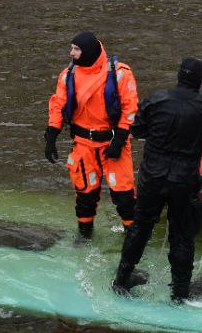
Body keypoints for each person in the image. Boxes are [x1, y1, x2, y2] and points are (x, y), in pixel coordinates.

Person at [113, 57, 202, 303]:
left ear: (179, 76)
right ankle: (180, 292)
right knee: (182, 236)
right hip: (183, 181)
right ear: (198, 80)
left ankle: (122, 278)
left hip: (152, 176)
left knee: (140, 228)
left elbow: (137, 130)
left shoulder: (156, 99)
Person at [45, 32, 139, 238]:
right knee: (85, 194)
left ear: (87, 50)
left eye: (75, 49)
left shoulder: (120, 74)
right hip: (83, 144)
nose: (71, 53)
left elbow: (130, 109)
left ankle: (133, 238)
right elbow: (57, 105)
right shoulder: (67, 75)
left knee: (124, 195)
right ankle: (85, 234)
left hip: (113, 143)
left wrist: (120, 139)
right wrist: (51, 135)